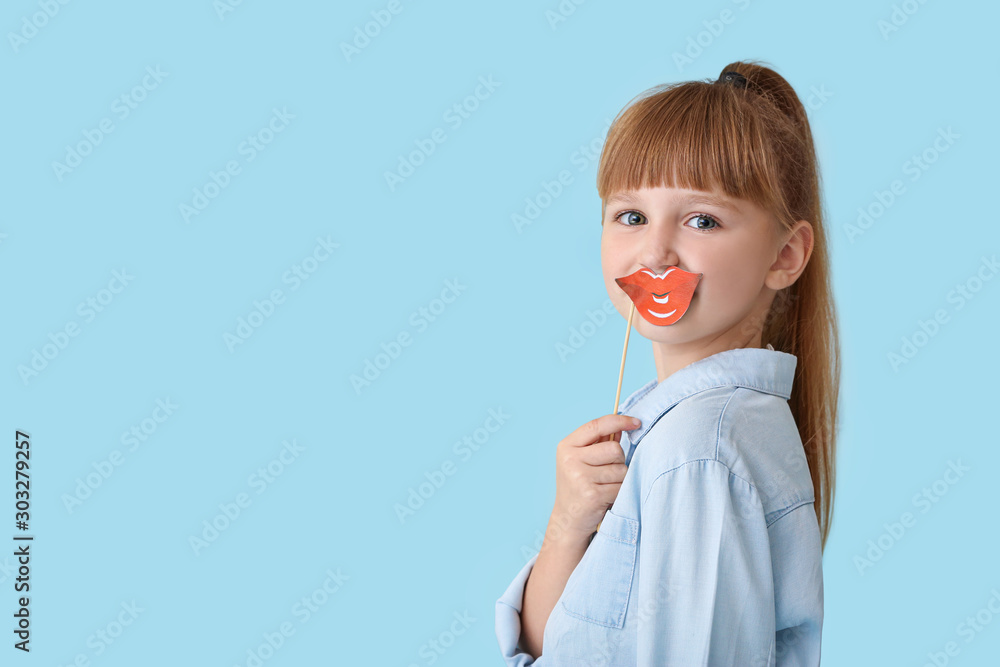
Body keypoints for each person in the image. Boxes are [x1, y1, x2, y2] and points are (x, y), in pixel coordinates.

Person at [495, 60, 840, 666]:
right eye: (631, 216)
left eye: (702, 219)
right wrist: (569, 523)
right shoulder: (678, 432)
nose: (655, 253)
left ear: (785, 255)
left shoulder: (700, 449)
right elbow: (552, 645)